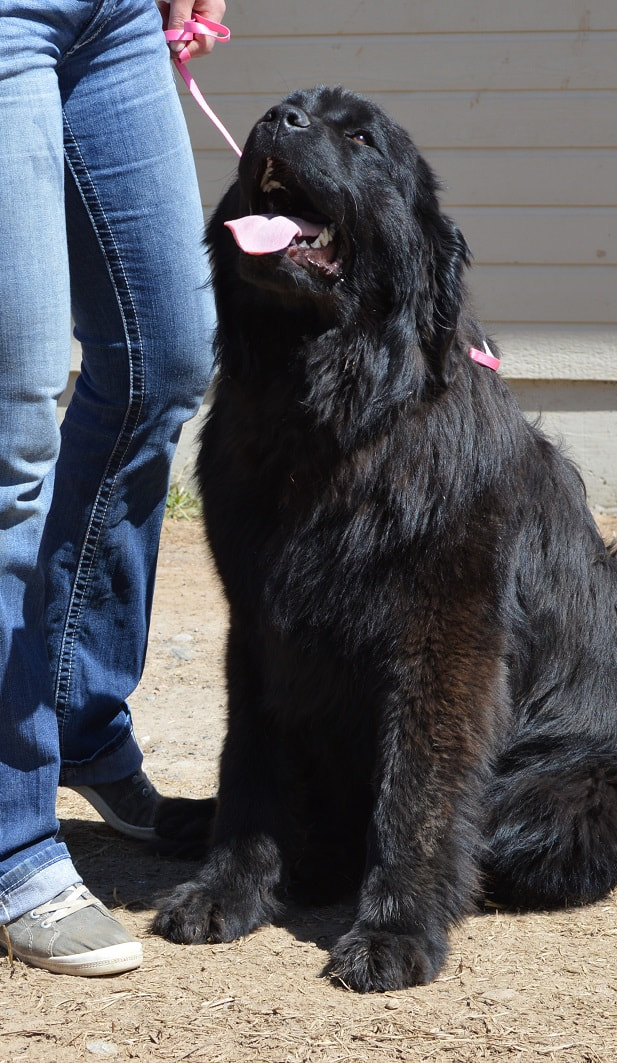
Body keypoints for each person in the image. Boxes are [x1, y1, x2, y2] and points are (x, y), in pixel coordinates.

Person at [0, 0, 225, 976]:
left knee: (163, 358)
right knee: (14, 424)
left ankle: (78, 719)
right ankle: (14, 839)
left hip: (113, 14)